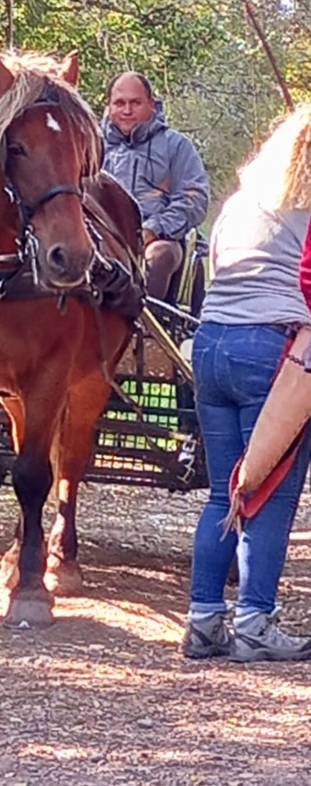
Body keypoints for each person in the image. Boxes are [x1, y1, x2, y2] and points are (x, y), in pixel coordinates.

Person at [182, 105, 311, 663]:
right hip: (274, 352)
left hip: (211, 346)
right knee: (269, 491)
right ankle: (255, 622)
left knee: (224, 490)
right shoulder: (306, 208)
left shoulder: (237, 205)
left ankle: (204, 620)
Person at [102, 71, 209, 301]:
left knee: (159, 255)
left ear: (151, 104)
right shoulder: (91, 145)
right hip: (100, 238)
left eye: (135, 103)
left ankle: (147, 329)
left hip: (161, 239)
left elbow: (194, 198)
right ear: (108, 106)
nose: (127, 110)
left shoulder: (177, 145)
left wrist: (153, 229)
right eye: (119, 103)